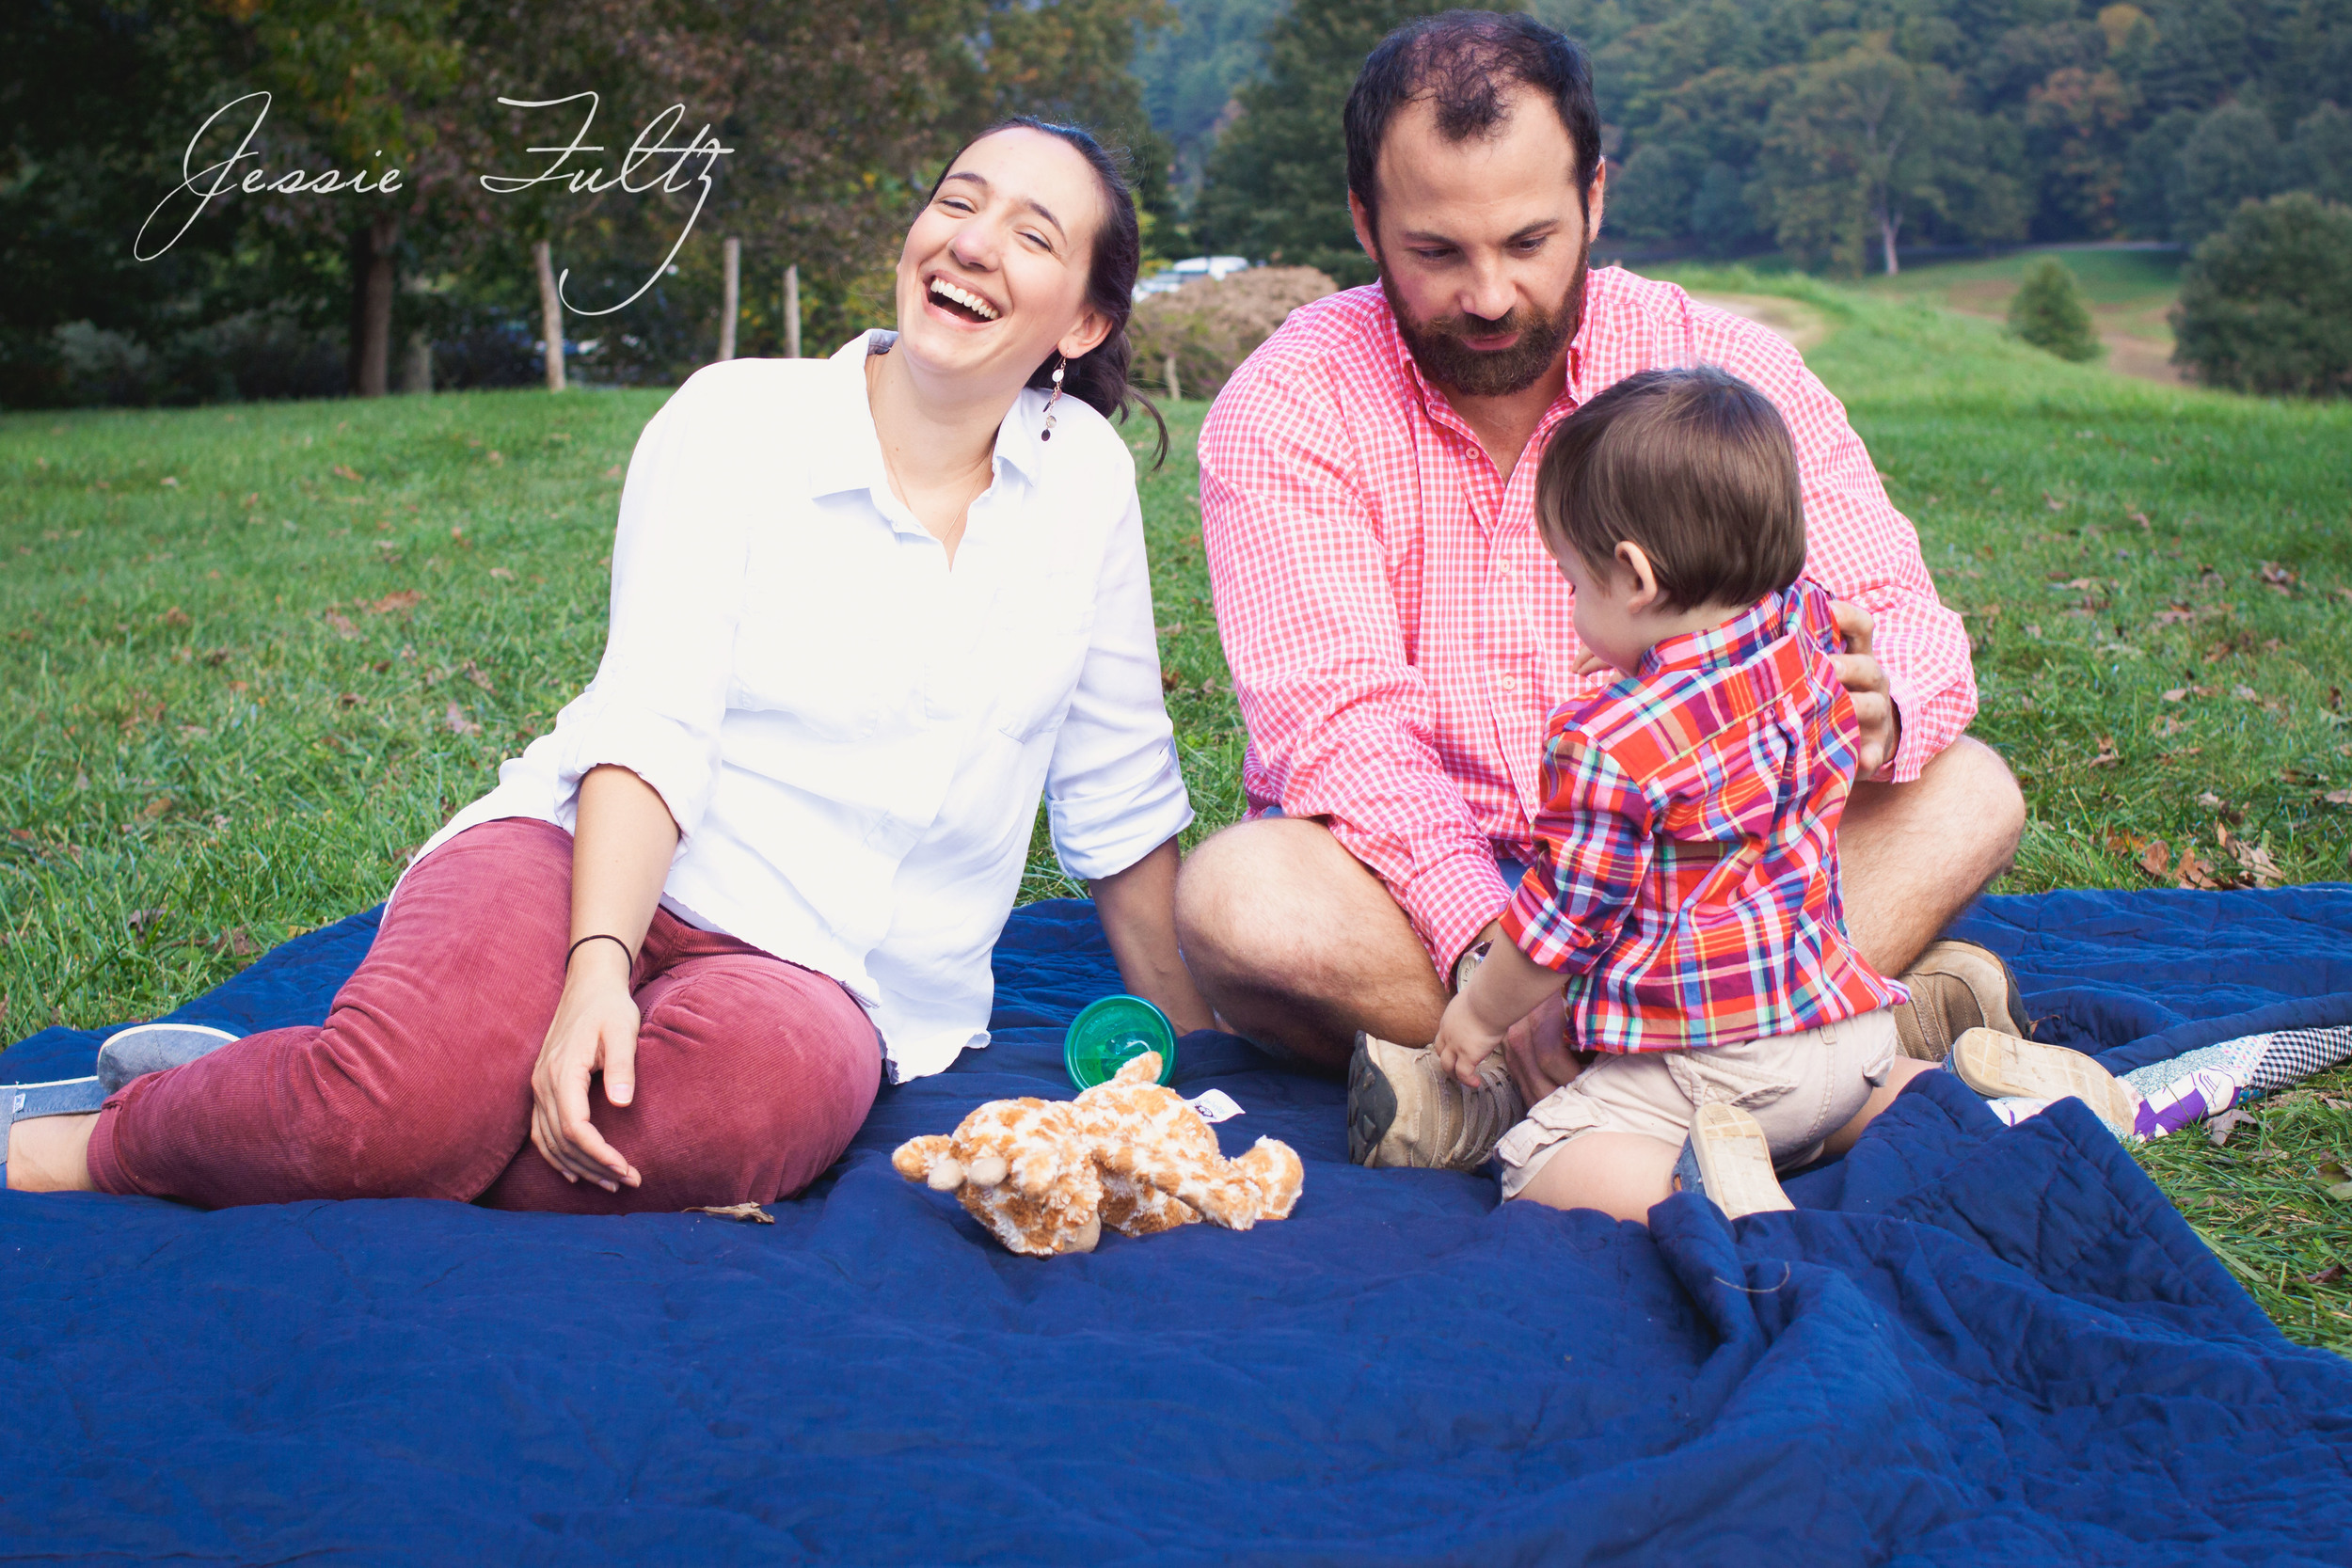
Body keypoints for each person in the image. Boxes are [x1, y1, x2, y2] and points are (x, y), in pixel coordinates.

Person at [4, 118, 1213, 1208]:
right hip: (584, 853)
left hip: (820, 974)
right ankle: (117, 1134)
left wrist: (1191, 1047)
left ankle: (365, 1117)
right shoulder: (734, 419)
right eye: (957, 201)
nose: (972, 243)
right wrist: (596, 970)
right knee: (393, 1109)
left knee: (736, 1122)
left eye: (1032, 233)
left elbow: (1113, 775)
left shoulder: (1085, 483)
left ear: (1085, 321)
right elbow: (655, 714)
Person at [1173, 11, 2030, 1169]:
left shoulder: (1720, 366)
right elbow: (1343, 733)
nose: (1489, 294)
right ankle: (1818, 1048)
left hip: (1699, 877)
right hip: (1433, 901)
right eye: (1436, 252)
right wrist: (1497, 948)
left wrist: (1881, 706)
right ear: (1363, 223)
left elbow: (1909, 623)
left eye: (1529, 240)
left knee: (1966, 792)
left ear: (1595, 198)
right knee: (1242, 898)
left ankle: (1498, 1098)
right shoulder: (1292, 403)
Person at [1422, 365, 1928, 1219]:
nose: (1577, 611)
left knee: (1540, 1156)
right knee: (1851, 1093)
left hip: (1722, 1069)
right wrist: (1638, 650)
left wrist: (1476, 1014)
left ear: (1635, 578)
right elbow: (1719, 674)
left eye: (1578, 586)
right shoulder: (1809, 624)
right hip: (1849, 1034)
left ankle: (1715, 1195)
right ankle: (1949, 1098)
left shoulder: (1606, 740)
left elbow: (1561, 926)